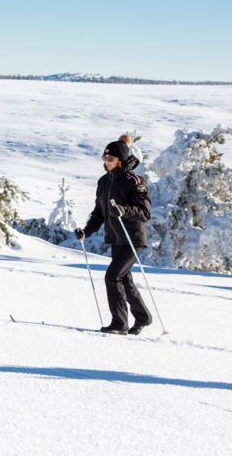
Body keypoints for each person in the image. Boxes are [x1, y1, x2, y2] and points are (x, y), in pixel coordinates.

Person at [75, 134, 153, 335]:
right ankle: (143, 317)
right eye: (104, 158)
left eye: (110, 159)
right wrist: (87, 231)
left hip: (132, 238)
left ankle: (119, 323)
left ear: (120, 160)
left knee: (112, 277)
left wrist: (124, 210)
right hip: (117, 239)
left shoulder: (134, 180)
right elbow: (99, 212)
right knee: (124, 279)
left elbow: (144, 212)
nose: (107, 162)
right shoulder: (104, 182)